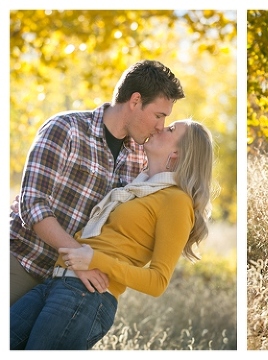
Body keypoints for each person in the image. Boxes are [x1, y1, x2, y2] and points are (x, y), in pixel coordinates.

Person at [10, 119, 214, 350]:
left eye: (170, 130)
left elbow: (158, 282)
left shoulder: (177, 201)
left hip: (86, 296)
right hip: (57, 281)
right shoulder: (139, 189)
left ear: (177, 152)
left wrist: (94, 260)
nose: (159, 127)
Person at [9, 60, 185, 305]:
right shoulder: (66, 128)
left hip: (70, 284)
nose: (160, 126)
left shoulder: (138, 157)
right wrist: (79, 258)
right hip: (23, 262)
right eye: (158, 115)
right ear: (135, 101)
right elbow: (33, 205)